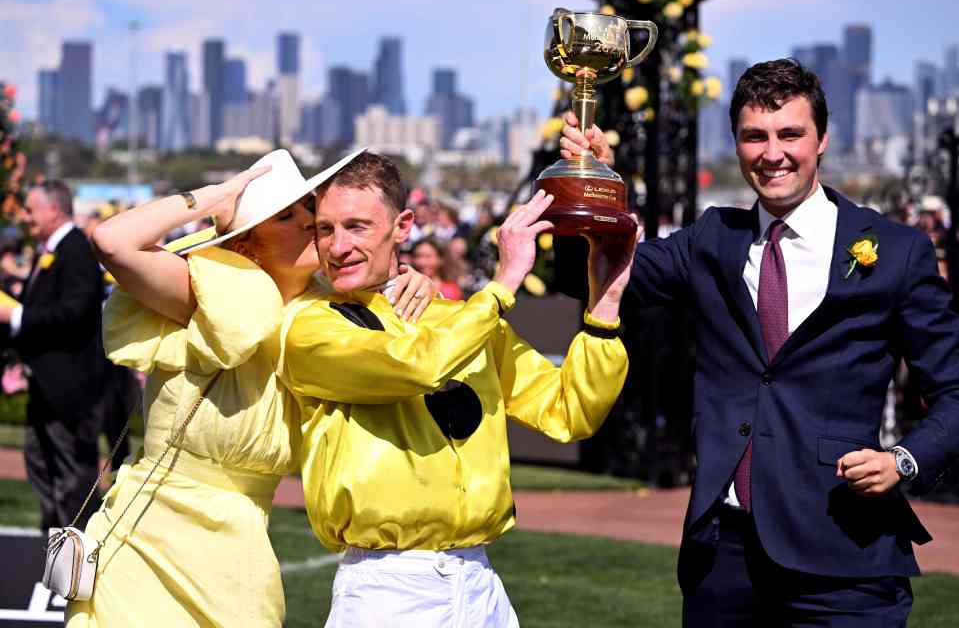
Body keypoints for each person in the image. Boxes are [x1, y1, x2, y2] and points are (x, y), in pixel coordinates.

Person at [560, 58, 959, 626]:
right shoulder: (711, 239)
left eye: (789, 134)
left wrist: (905, 460)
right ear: (738, 144)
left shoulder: (895, 251)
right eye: (755, 136)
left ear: (822, 139)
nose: (772, 153)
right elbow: (615, 272)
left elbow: (955, 390)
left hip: (845, 556)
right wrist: (595, 182)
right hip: (722, 563)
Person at [65, 149, 436, 628]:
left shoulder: (328, 307)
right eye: (286, 216)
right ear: (248, 244)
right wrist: (219, 196)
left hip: (242, 539)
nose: (308, 223)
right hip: (150, 530)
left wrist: (417, 281)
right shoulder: (206, 288)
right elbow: (112, 240)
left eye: (309, 211)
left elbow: (385, 283)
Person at [279, 152, 634, 627]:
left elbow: (571, 411)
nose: (338, 247)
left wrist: (604, 309)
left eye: (357, 227)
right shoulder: (308, 327)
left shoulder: (462, 319)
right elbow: (416, 365)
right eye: (326, 229)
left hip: (481, 581)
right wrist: (501, 285)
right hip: (386, 589)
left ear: (402, 227)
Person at [0, 180, 107, 532]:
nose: (26, 217)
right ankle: (55, 549)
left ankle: (77, 560)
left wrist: (16, 316)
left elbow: (73, 313)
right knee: (39, 463)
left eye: (31, 209)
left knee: (73, 478)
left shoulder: (77, 250)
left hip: (71, 392)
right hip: (46, 388)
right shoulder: (52, 250)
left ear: (54, 209)